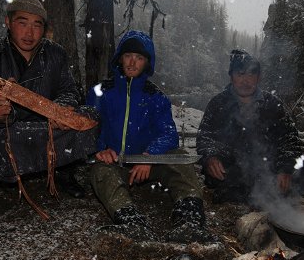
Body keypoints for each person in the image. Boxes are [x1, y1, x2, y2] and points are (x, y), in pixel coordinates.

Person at [0, 0, 98, 198]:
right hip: (12, 129)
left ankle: (62, 170)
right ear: (8, 21)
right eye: (22, 23)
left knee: (89, 118)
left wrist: (60, 110)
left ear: (44, 28)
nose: (30, 33)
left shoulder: (55, 53)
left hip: (48, 126)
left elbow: (69, 90)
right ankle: (8, 174)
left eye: (37, 25)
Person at [86, 30, 214, 243]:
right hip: (116, 162)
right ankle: (130, 221)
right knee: (100, 172)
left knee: (180, 157)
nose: (133, 62)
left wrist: (149, 157)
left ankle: (189, 219)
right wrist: (101, 148)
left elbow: (169, 133)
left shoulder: (155, 96)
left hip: (149, 163)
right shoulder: (101, 91)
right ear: (120, 58)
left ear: (147, 63)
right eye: (128, 56)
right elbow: (89, 127)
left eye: (140, 58)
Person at [196, 49, 304, 205]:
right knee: (220, 177)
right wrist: (211, 157)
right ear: (231, 76)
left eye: (251, 74)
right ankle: (261, 193)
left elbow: (290, 140)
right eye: (240, 74)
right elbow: (205, 136)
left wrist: (285, 168)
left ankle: (254, 192)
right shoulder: (218, 104)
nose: (246, 81)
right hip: (233, 166)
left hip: (269, 165)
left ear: (258, 77)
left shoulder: (273, 104)